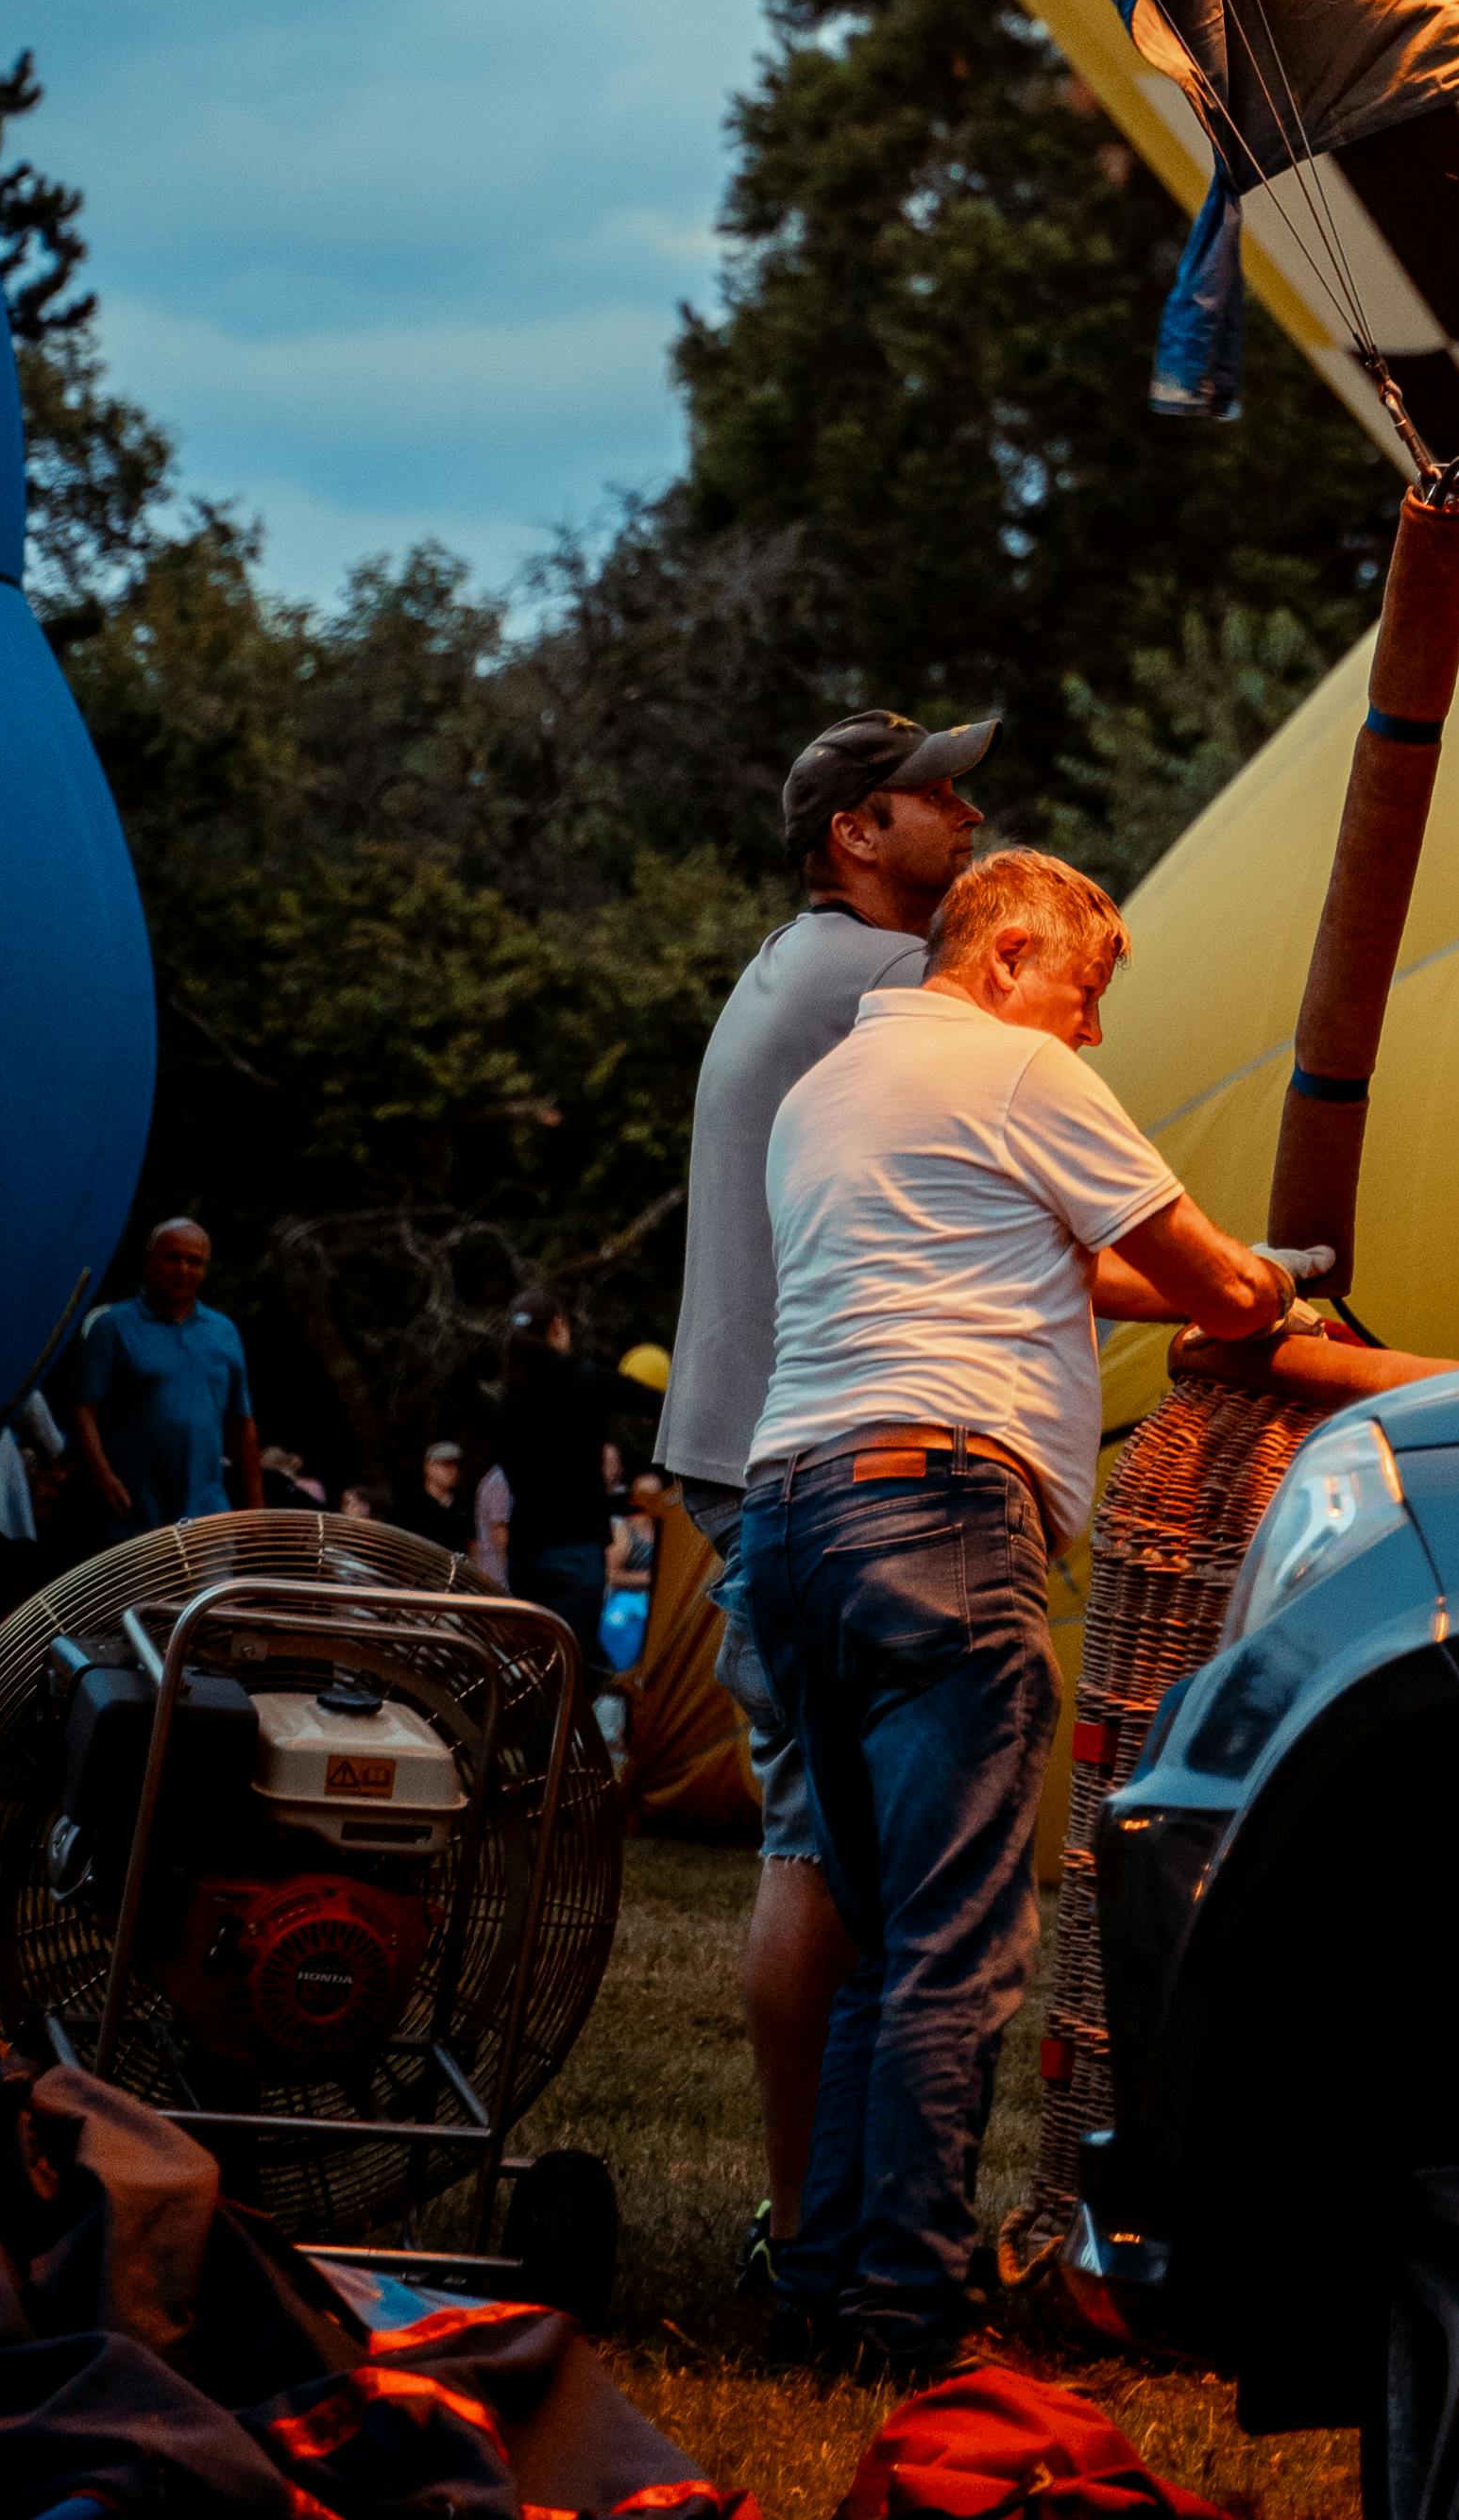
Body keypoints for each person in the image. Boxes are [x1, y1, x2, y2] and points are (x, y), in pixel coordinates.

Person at [739, 841, 1291, 2378]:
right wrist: (1274, 1292)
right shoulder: (1014, 1075)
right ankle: (912, 2316)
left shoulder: (832, 1097)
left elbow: (1040, 1263)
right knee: (961, 1943)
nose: (1096, 1031)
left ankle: (827, 2297)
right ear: (1006, 960)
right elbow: (1206, 1280)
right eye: (1090, 989)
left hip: (793, 1516)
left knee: (875, 1931)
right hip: (939, 1513)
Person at [657, 710, 997, 2291]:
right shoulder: (879, 983)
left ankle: (815, 2222)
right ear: (857, 833)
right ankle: (808, 2233)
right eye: (936, 796)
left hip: (743, 1442)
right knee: (819, 1846)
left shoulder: (803, 969)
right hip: (800, 1451)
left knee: (827, 1841)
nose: (966, 810)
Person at [71, 1221, 263, 1531]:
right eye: (172, 1258)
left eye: (194, 1261)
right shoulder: (113, 1326)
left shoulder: (222, 1332)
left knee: (212, 1580)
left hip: (206, 1513)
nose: (182, 1269)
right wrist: (101, 1473)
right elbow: (83, 1407)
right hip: (133, 1512)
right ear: (149, 1261)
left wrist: (256, 1509)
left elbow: (242, 1422)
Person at [483, 1296, 624, 1655]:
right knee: (575, 1663)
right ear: (559, 1327)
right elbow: (653, 1402)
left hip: (527, 1554)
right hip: (574, 1547)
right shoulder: (584, 1383)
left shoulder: (506, 1402)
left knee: (536, 1661)